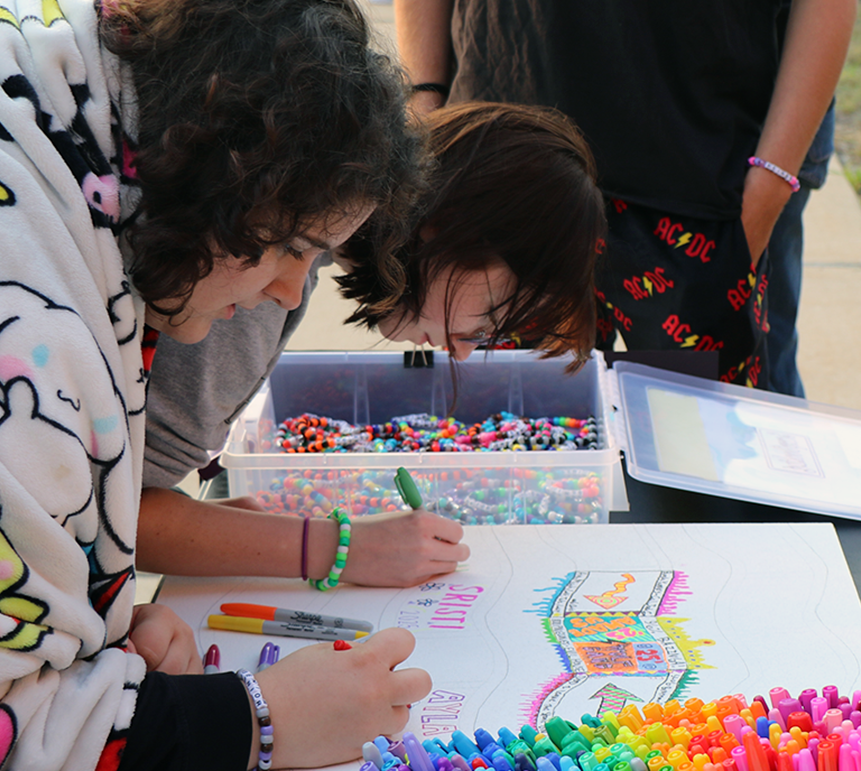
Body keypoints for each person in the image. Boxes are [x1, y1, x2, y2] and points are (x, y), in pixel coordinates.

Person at [0, 0, 431, 769]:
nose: (289, 291)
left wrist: (90, 621)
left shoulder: (35, 112)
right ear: (216, 189)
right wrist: (256, 723)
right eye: (289, 247)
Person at [136, 100, 604, 581]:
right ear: (456, 231)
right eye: (485, 323)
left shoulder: (299, 254)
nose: (464, 349)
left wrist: (233, 533)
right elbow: (112, 519)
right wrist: (341, 549)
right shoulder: (256, 282)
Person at [394, 0, 857, 390]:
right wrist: (423, 116)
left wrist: (766, 193)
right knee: (518, 446)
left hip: (704, 195)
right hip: (501, 193)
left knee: (711, 455)